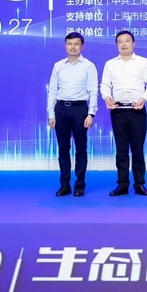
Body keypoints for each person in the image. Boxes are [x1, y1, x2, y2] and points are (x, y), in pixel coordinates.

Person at [100, 30, 147, 196]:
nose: (123, 44)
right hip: (118, 110)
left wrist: (144, 98)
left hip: (137, 110)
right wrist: (107, 96)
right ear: (117, 45)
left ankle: (139, 184)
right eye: (120, 41)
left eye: (127, 41)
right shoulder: (110, 64)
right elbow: (104, 84)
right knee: (121, 149)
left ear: (134, 44)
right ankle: (122, 184)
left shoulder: (143, 62)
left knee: (137, 149)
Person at [47, 32, 98, 197]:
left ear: (82, 46)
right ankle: (64, 185)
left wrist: (91, 113)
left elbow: (93, 91)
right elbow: (52, 91)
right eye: (69, 44)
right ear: (65, 46)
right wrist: (51, 114)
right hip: (61, 109)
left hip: (80, 110)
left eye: (76, 44)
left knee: (81, 148)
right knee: (63, 148)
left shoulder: (89, 66)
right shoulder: (58, 66)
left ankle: (80, 185)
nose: (73, 47)